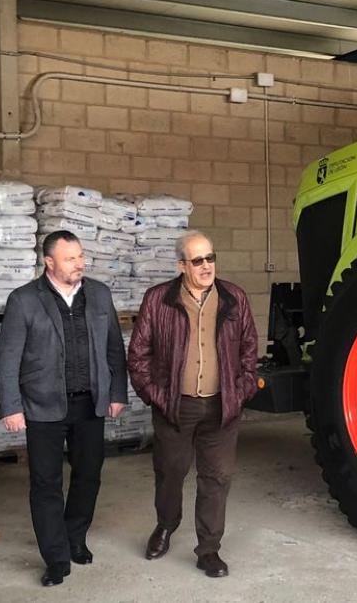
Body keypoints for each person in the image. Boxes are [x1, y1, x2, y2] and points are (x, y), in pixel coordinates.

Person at [0, 230, 128, 588]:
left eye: (81, 256)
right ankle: (55, 557)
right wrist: (11, 406)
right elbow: (7, 358)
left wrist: (117, 392)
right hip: (42, 405)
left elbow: (115, 348)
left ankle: (75, 538)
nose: (79, 263)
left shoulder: (99, 294)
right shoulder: (24, 299)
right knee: (45, 483)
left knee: (89, 474)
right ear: (49, 262)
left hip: (90, 402)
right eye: (70, 258)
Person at [127, 230, 259, 579]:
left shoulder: (235, 298)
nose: (206, 266)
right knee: (170, 473)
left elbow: (249, 352)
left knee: (216, 478)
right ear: (181, 265)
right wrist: (157, 396)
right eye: (197, 260)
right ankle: (166, 525)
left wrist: (241, 390)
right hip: (176, 407)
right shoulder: (159, 300)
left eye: (210, 258)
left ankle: (209, 550)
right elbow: (138, 356)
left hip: (221, 408)